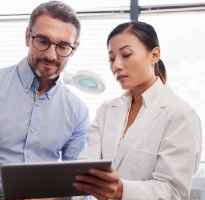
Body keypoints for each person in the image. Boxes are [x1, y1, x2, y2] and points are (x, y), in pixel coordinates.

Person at [0, 1, 89, 199]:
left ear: (74, 48)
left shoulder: (78, 111)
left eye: (62, 46)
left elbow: (80, 186)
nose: (51, 55)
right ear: (28, 37)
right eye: (43, 41)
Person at [73, 21, 202, 200]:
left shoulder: (180, 115)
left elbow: (174, 192)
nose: (116, 65)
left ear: (154, 55)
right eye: (111, 58)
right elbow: (85, 172)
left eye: (126, 54)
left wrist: (121, 191)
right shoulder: (107, 111)